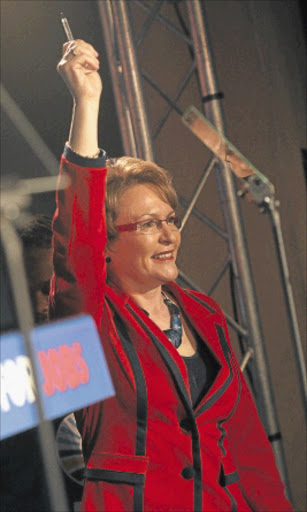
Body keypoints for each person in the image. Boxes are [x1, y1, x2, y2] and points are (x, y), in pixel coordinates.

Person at [52, 39, 293, 512]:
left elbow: (249, 453)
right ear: (108, 243)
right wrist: (87, 101)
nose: (168, 235)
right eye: (147, 225)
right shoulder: (94, 319)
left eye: (169, 219)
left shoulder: (203, 314)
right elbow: (75, 237)